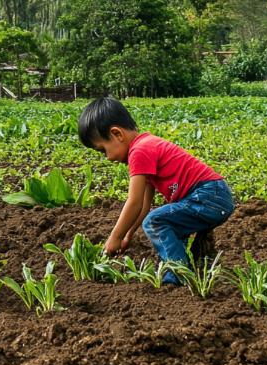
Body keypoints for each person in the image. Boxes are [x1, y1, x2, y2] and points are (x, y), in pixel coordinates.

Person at [78, 96, 234, 283]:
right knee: (167, 226)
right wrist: (128, 235)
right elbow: (144, 205)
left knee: (156, 221)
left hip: (208, 196)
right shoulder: (146, 146)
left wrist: (114, 238)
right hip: (214, 196)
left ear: (117, 134)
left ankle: (178, 275)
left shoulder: (139, 151)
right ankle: (200, 261)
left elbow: (133, 202)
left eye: (103, 150)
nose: (107, 158)